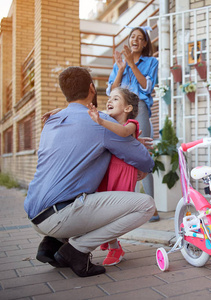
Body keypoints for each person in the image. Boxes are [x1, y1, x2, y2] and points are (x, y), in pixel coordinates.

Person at [24, 66, 155, 278]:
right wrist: (138, 152)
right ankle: (76, 250)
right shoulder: (103, 124)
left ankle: (53, 243)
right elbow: (144, 160)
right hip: (62, 215)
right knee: (146, 205)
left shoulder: (52, 121)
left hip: (34, 213)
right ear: (92, 89)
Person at [107, 26, 160, 222]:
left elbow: (147, 86)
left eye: (139, 38)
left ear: (145, 43)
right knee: (122, 157)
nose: (135, 40)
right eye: (132, 37)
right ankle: (129, 207)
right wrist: (121, 68)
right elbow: (113, 91)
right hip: (121, 112)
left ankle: (151, 207)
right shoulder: (119, 64)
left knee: (143, 154)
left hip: (140, 109)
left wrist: (132, 63)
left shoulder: (152, 62)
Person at [87, 87, 141, 266]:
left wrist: (100, 121)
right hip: (107, 171)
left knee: (115, 212)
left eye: (116, 99)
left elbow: (124, 133)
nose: (109, 101)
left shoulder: (131, 124)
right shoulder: (106, 119)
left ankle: (114, 246)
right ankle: (111, 242)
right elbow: (81, 112)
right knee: (103, 209)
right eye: (109, 98)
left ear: (127, 108)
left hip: (123, 172)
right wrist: (59, 112)